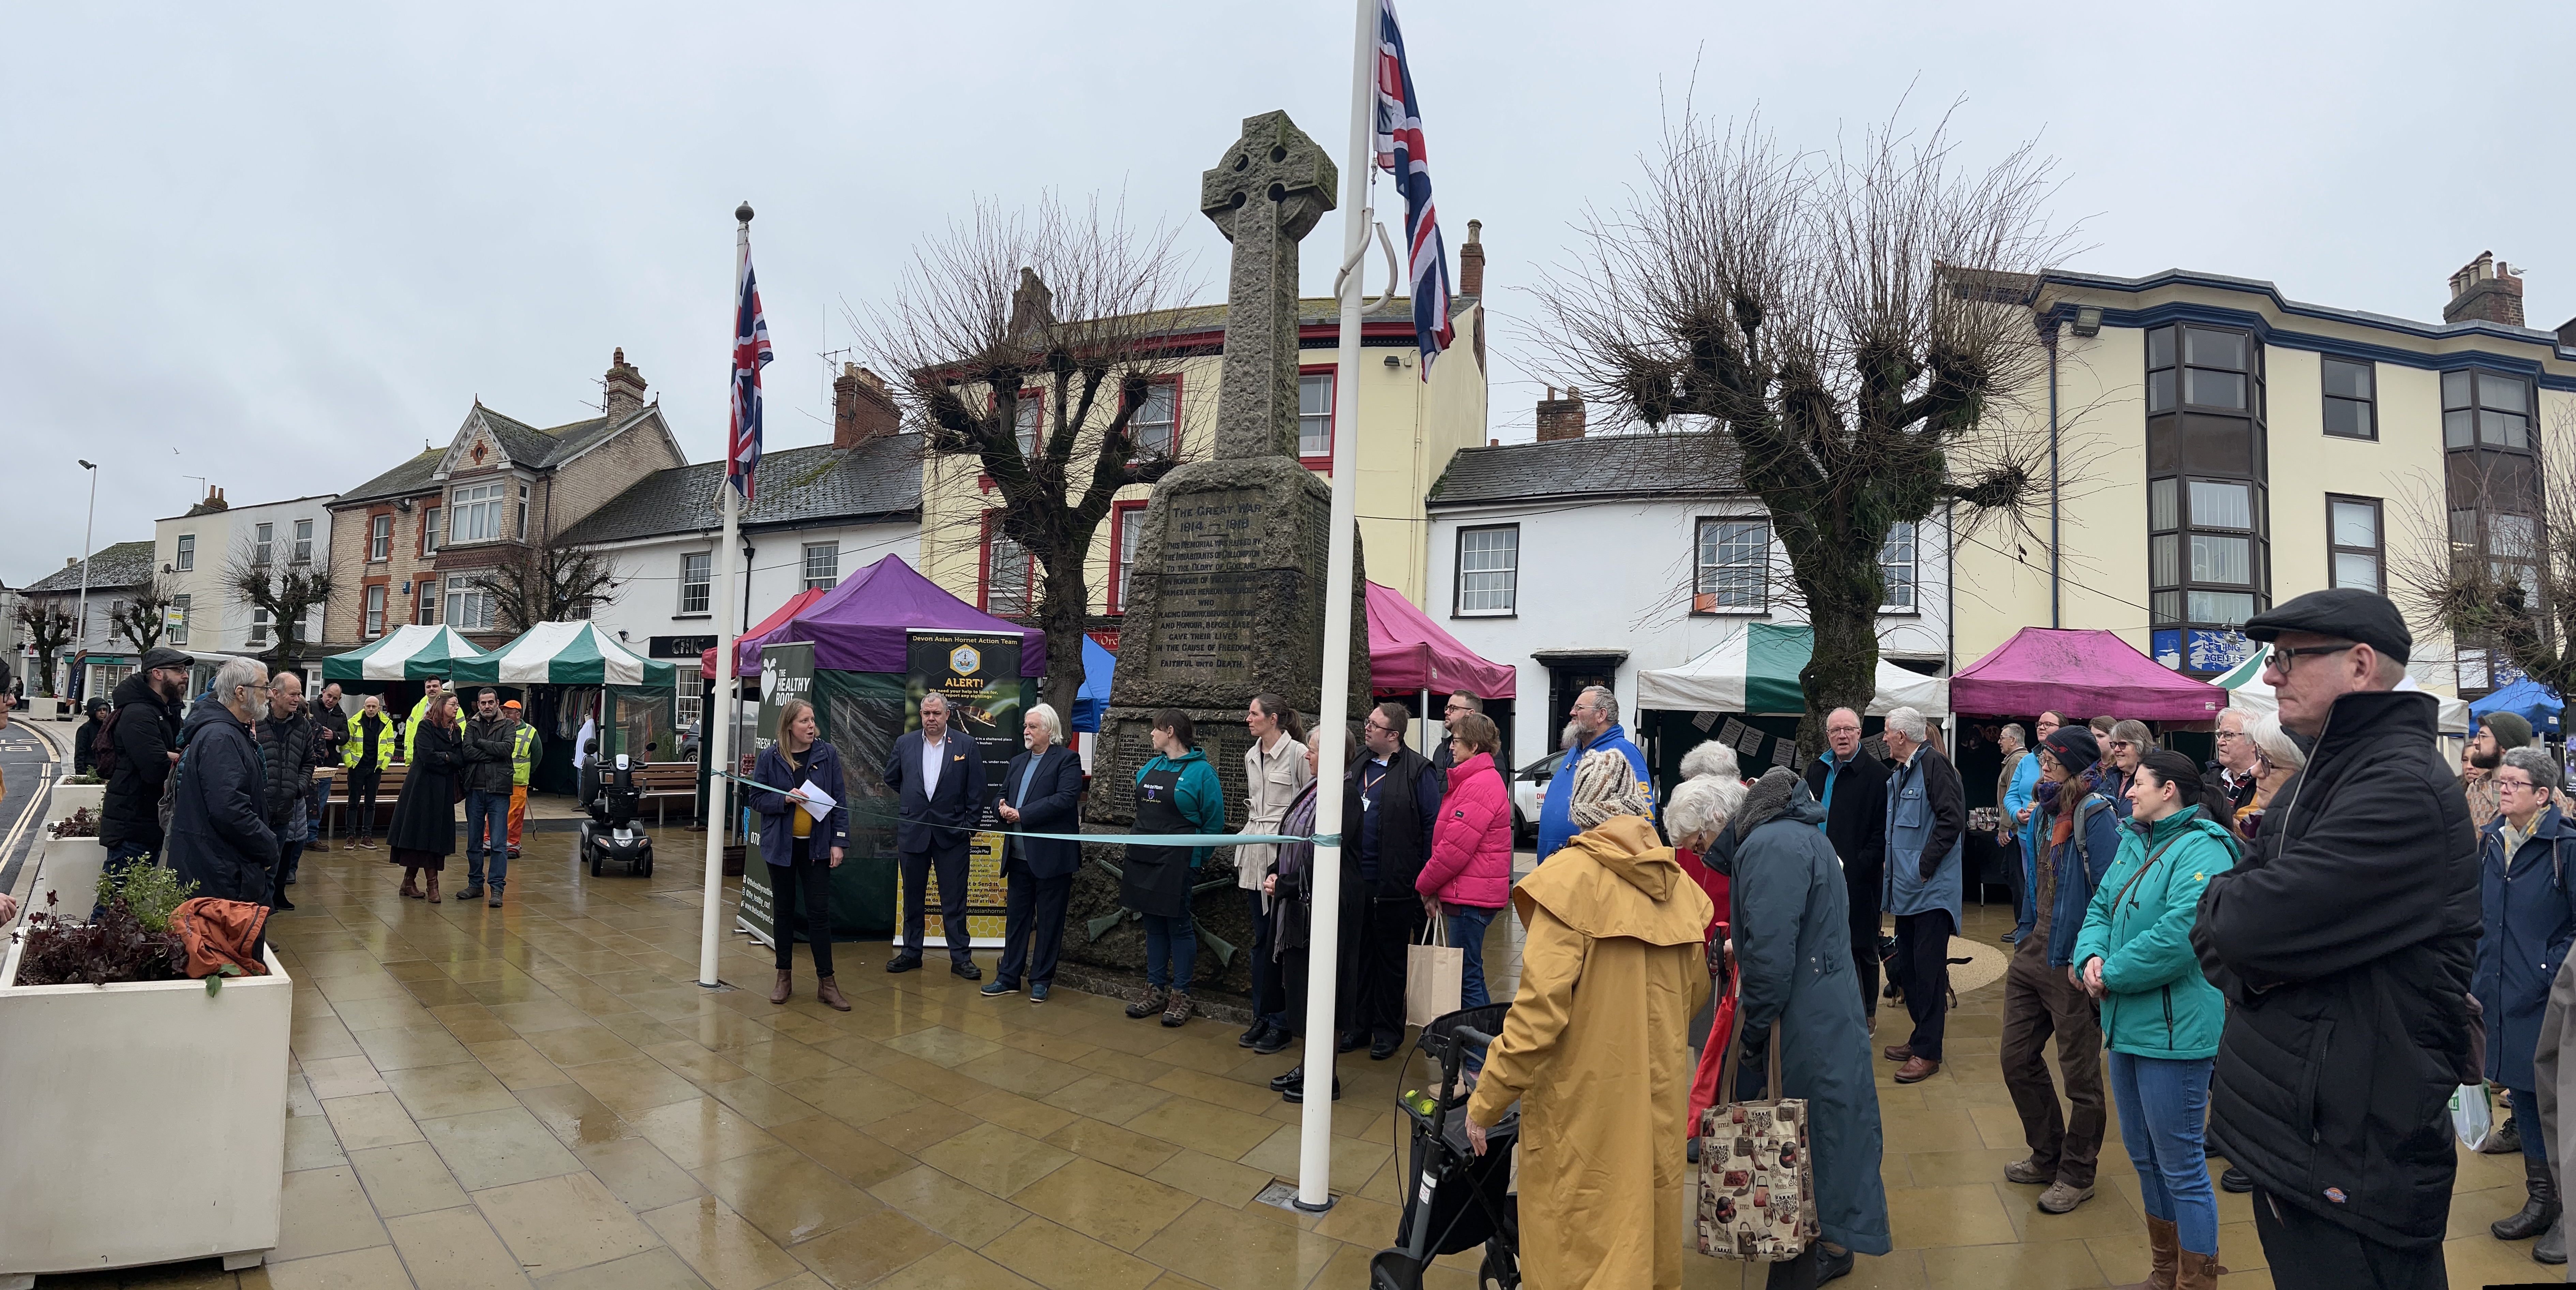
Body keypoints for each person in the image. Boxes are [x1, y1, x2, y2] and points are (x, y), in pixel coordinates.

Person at [2194, 588, 2477, 1285]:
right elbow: (2220, 931)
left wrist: (2252, 954)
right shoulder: (2325, 773)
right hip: (2303, 1138)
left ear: (2358, 664)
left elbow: (2238, 924)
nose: (2269, 675)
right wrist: (2256, 954)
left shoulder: (2399, 785)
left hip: (2354, 1159)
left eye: (2289, 656)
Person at [1463, 749, 1712, 1290]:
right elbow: (1693, 996)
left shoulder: (1568, 881)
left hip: (1584, 1100)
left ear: (1581, 806)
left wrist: (1485, 1101)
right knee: (1642, 1230)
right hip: (1659, 1097)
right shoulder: (1681, 887)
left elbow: (1536, 1017)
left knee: (1581, 1238)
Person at [1720, 767, 1894, 1287]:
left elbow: (1771, 961)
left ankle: (1801, 1258)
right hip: (1827, 1011)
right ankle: (1833, 1244)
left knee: (1799, 1143)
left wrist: (1751, 1036)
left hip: (1803, 1021)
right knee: (1830, 1134)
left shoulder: (1771, 846)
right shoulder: (1806, 836)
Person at [2075, 748, 2241, 1290]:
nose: (2128, 792)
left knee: (2183, 1166)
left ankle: (2198, 1282)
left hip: (2175, 1034)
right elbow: (2099, 908)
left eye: (2139, 783)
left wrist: (2110, 973)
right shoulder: (2131, 841)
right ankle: (2164, 1272)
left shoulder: (2207, 850)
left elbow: (2182, 936)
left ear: (2168, 790)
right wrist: (2089, 958)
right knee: (2145, 1159)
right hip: (2125, 1027)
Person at [1994, 725, 2121, 1214]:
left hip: (2071, 956)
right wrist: (2028, 932)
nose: (2042, 766)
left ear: (2076, 763)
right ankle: (2047, 1155)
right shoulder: (2048, 812)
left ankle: (2077, 1172)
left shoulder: (2096, 813)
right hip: (2035, 947)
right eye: (2042, 758)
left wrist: (2090, 957)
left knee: (2081, 1077)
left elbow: (2111, 892)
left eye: (2052, 759)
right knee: (2015, 1058)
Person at [2474, 745, 2576, 1252]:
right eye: (2503, 782)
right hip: (2499, 991)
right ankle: (2542, 1202)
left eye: (2515, 783)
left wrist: (2548, 970)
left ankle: (2567, 1212)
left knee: (2558, 1106)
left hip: (2548, 998)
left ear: (2543, 794)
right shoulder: (2492, 842)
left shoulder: (2567, 847)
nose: (2504, 789)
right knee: (2525, 1097)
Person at [1344, 701, 1443, 1059]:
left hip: (1396, 885)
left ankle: (1387, 1031)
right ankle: (1357, 1025)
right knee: (1358, 958)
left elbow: (1432, 825)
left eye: (1374, 724)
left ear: (1394, 735)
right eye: (1367, 721)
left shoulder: (1419, 771)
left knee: (1390, 961)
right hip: (1358, 880)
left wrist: (1425, 881)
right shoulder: (1359, 765)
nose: (1366, 728)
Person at [1264, 725, 1355, 1104]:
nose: (1306, 755)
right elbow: (1294, 837)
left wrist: (1285, 885)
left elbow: (1327, 854)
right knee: (1303, 989)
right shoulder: (1313, 787)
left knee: (1325, 991)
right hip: (1302, 904)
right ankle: (1307, 1065)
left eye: (1314, 750)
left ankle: (1325, 1076)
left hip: (1331, 906)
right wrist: (1275, 868)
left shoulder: (1345, 794)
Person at [748, 697, 853, 1011]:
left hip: (817, 847)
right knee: (784, 911)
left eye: (812, 721)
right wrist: (784, 800)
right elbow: (756, 799)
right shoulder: (770, 757)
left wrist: (839, 842)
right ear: (789, 726)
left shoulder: (827, 753)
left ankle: (827, 983)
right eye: (805, 721)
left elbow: (839, 801)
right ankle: (784, 977)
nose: (811, 727)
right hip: (781, 846)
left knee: (819, 913)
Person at [1122, 709, 1225, 1028]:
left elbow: (1213, 822)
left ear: (1170, 731)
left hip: (1178, 862)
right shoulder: (1150, 767)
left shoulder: (1203, 773)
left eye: (1155, 730)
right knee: (1152, 923)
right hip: (1144, 858)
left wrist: (1197, 860)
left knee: (1178, 925)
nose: (1150, 735)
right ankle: (1155, 989)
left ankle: (1181, 994)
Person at [1416, 709, 1513, 1036]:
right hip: (1468, 893)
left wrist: (1425, 885)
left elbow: (1454, 850)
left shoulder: (1479, 784)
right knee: (1469, 974)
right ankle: (1484, 1054)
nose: (1451, 747)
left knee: (1466, 977)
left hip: (1470, 897)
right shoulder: (1477, 780)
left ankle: (1478, 1059)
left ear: (1473, 745)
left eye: (1456, 741)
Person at [1881, 705, 1964, 1084]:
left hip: (1929, 892)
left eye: (1886, 732)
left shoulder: (1934, 766)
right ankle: (1919, 1038)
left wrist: (1923, 866)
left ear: (1901, 735)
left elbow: (1951, 819)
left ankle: (1929, 1051)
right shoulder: (1902, 771)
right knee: (1908, 970)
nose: (1882, 738)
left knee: (1927, 973)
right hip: (1907, 894)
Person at [883, 692, 987, 978]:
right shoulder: (905, 744)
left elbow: (977, 790)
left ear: (947, 715)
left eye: (936, 714)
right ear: (921, 715)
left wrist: (969, 826)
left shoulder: (966, 744)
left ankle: (961, 959)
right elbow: (892, 777)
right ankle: (911, 953)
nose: (931, 719)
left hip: (952, 835)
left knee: (954, 899)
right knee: (913, 897)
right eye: (926, 714)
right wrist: (912, 801)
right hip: (913, 831)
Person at [988, 703, 1084, 1002]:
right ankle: (1008, 977)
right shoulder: (1017, 761)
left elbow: (1066, 799)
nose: (1026, 731)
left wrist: (1022, 815)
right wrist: (1001, 807)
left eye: (1033, 727)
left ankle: (1041, 979)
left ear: (1050, 731)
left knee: (1050, 921)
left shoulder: (1067, 760)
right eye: (1026, 726)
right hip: (1017, 859)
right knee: (1016, 920)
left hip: (1051, 859)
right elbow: (1002, 794)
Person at [165, 658, 280, 906]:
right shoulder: (221, 737)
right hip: (221, 873)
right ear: (241, 692)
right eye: (264, 687)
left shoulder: (228, 731)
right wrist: (268, 846)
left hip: (221, 867)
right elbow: (229, 809)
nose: (270, 695)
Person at [1234, 693, 1311, 1052]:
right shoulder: (1251, 755)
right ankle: (1261, 1015)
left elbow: (1306, 803)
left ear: (1273, 718)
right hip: (1253, 857)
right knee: (1259, 941)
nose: (1248, 719)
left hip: (1282, 862)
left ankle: (1281, 1021)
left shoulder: (1298, 753)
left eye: (1253, 714)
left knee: (1277, 942)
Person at [1806, 707, 1892, 1021]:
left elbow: (1883, 832)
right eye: (1835, 731)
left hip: (1859, 878)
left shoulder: (1879, 776)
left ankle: (1868, 1013)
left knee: (1863, 947)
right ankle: (1831, 1009)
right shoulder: (1816, 770)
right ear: (1828, 735)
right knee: (1821, 942)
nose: (1842, 736)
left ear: (1859, 732)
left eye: (1848, 730)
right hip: (1816, 872)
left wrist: (1860, 865)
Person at [99, 647, 191, 884]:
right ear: (158, 674)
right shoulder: (139, 713)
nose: (186, 676)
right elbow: (155, 767)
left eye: (185, 670)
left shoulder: (166, 710)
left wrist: (173, 755)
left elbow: (173, 753)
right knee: (116, 902)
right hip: (132, 823)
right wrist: (176, 758)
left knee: (129, 900)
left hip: (149, 820)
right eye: (179, 670)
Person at [1534, 684, 1649, 865]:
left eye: (1579, 708)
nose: (1572, 713)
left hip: (1589, 869)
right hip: (1558, 869)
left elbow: (1644, 817)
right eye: (1574, 707)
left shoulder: (1624, 752)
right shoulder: (1576, 750)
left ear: (1601, 716)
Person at [387, 691, 465, 903]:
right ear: (441, 706)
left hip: (443, 790)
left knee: (433, 834)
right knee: (421, 833)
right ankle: (433, 886)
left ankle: (409, 881)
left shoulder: (455, 730)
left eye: (458, 705)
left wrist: (447, 757)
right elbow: (427, 757)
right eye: (453, 705)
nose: (457, 708)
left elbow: (461, 759)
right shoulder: (426, 726)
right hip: (421, 789)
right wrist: (447, 757)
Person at [254, 672, 322, 912]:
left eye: (300, 693)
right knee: (255, 867)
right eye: (293, 694)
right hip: (257, 809)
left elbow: (309, 761)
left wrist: (299, 787)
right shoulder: (256, 721)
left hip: (285, 808)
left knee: (275, 865)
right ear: (275, 694)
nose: (299, 699)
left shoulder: (302, 725)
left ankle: (266, 916)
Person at [454, 689, 517, 906]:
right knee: (474, 842)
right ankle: (475, 885)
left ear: (498, 703)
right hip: (475, 790)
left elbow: (507, 749)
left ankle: (497, 889)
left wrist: (481, 744)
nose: (487, 706)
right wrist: (491, 752)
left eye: (491, 702)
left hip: (499, 791)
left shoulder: (508, 725)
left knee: (499, 844)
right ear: (477, 705)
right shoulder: (471, 726)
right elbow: (467, 753)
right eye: (483, 703)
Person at [2010, 711, 2068, 945]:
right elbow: (2012, 795)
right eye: (2039, 724)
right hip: (2027, 836)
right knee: (2032, 886)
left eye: (2048, 724)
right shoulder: (2027, 760)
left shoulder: (2073, 769)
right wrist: (2017, 813)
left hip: (2054, 837)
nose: (2042, 727)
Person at [1996, 722, 2037, 946]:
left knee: (2019, 878)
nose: (1999, 741)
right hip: (2018, 826)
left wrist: (2006, 826)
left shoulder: (2017, 761)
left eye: (2003, 737)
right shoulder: (2021, 760)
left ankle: (2024, 924)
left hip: (2018, 830)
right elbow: (2011, 797)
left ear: (2013, 740)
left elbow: (2011, 795)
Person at [2466, 711, 2532, 831]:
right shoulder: (2474, 789)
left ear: (2504, 747)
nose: (2475, 742)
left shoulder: (2540, 792)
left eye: (2483, 736)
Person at [344, 694, 394, 848]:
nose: (371, 709)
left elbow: (390, 745)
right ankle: (350, 837)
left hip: (375, 770)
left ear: (379, 708)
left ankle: (367, 836)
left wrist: (383, 765)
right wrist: (351, 763)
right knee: (353, 804)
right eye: (368, 707)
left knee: (371, 804)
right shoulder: (353, 723)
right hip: (357, 769)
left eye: (374, 707)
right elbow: (346, 745)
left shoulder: (386, 724)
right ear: (364, 707)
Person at [502, 698, 539, 859]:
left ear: (518, 715)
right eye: (504, 713)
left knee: (516, 814)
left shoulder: (531, 732)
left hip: (518, 782)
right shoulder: (499, 728)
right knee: (493, 813)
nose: (506, 715)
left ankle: (512, 845)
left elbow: (537, 755)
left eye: (509, 713)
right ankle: (488, 842)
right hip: (499, 780)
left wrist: (528, 773)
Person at [2208, 708, 2259, 815]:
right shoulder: (2207, 780)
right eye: (2219, 735)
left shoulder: (2268, 783)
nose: (2220, 742)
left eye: (2228, 735)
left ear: (2254, 742)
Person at [2101, 719, 2151, 817]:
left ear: (2140, 746)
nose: (2116, 750)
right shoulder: (2109, 777)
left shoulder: (2152, 781)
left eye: (2122, 744)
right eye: (2114, 745)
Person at [1431, 692, 1480, 773]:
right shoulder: (1441, 749)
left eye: (1453, 708)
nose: (1447, 712)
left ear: (1470, 714)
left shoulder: (1486, 749)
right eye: (1447, 708)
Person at [400, 678, 445, 762]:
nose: (432, 689)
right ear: (425, 690)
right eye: (428, 687)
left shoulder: (452, 705)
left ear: (442, 688)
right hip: (421, 757)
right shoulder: (418, 708)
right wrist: (409, 755)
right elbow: (410, 732)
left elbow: (461, 730)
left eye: (435, 686)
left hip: (443, 757)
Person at [72, 695, 110, 777]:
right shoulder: (85, 730)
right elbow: (80, 754)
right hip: (90, 770)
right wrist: (82, 775)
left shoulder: (109, 728)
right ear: (93, 712)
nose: (103, 713)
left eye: (105, 710)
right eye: (99, 710)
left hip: (106, 771)